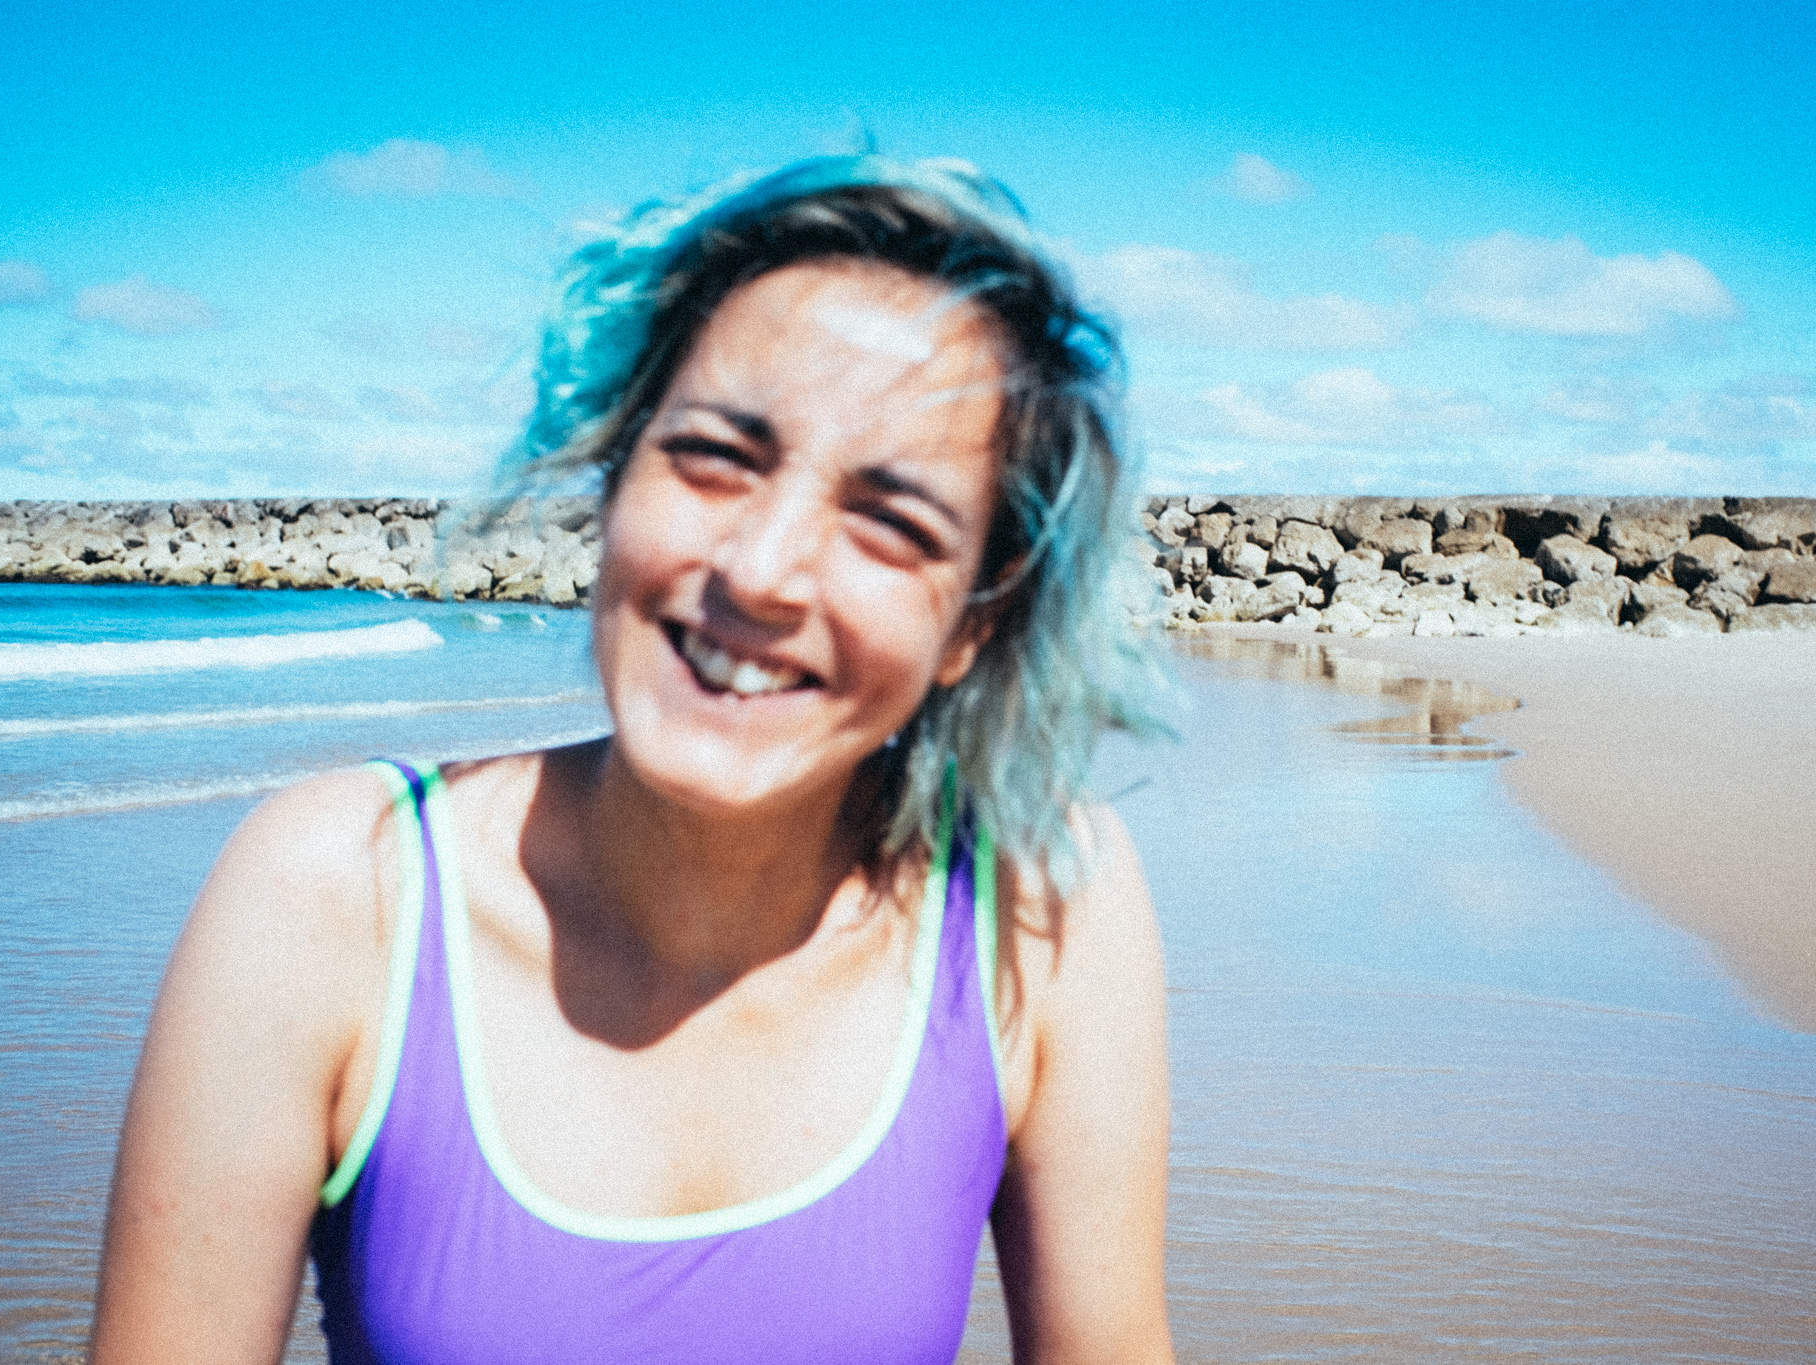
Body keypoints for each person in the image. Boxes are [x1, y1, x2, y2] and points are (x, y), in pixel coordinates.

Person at [90, 155, 1175, 1364]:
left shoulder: (1039, 901)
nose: (761, 570)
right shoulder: (340, 893)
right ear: (614, 477)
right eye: (716, 455)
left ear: (974, 621)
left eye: (890, 520)